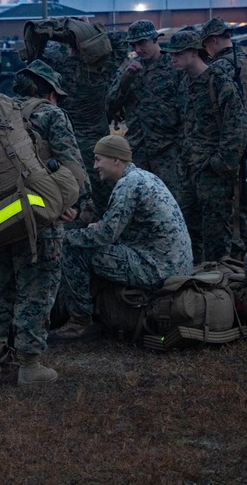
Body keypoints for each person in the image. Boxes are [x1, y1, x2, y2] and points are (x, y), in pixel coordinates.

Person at [0, 60, 87, 385]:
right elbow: (73, 166)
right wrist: (74, 203)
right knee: (36, 288)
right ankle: (30, 364)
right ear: (49, 91)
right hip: (39, 216)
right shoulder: (51, 115)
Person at [51, 135, 193, 341]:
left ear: (116, 160)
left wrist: (64, 237)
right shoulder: (143, 177)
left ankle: (80, 322)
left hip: (157, 269)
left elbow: (104, 235)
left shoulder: (128, 185)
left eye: (99, 159)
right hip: (173, 265)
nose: (95, 165)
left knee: (74, 249)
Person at [169, 28, 247, 264]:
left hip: (213, 175)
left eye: (177, 54)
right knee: (188, 231)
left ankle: (221, 285)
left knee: (216, 237)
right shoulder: (184, 83)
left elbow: (237, 127)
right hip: (188, 171)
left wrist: (220, 164)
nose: (172, 58)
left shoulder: (218, 82)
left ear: (194, 53)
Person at [41, 32, 125, 223]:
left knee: (73, 193)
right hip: (97, 145)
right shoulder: (100, 70)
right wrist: (88, 30)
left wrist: (64, 33)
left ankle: (77, 233)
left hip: (68, 145)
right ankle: (104, 231)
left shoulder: (60, 71)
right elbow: (121, 42)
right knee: (103, 195)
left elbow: (42, 54)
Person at [200, 17, 247, 250]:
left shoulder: (219, 68)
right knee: (244, 185)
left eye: (206, 45)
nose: (206, 52)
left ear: (214, 40)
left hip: (228, 138)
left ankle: (236, 238)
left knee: (231, 192)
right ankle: (246, 232)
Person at [105, 20, 183, 200]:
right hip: (138, 148)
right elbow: (110, 105)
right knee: (140, 200)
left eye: (142, 43)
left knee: (171, 199)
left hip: (168, 148)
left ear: (155, 39)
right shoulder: (130, 70)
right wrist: (126, 80)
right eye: (134, 45)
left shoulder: (173, 66)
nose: (138, 49)